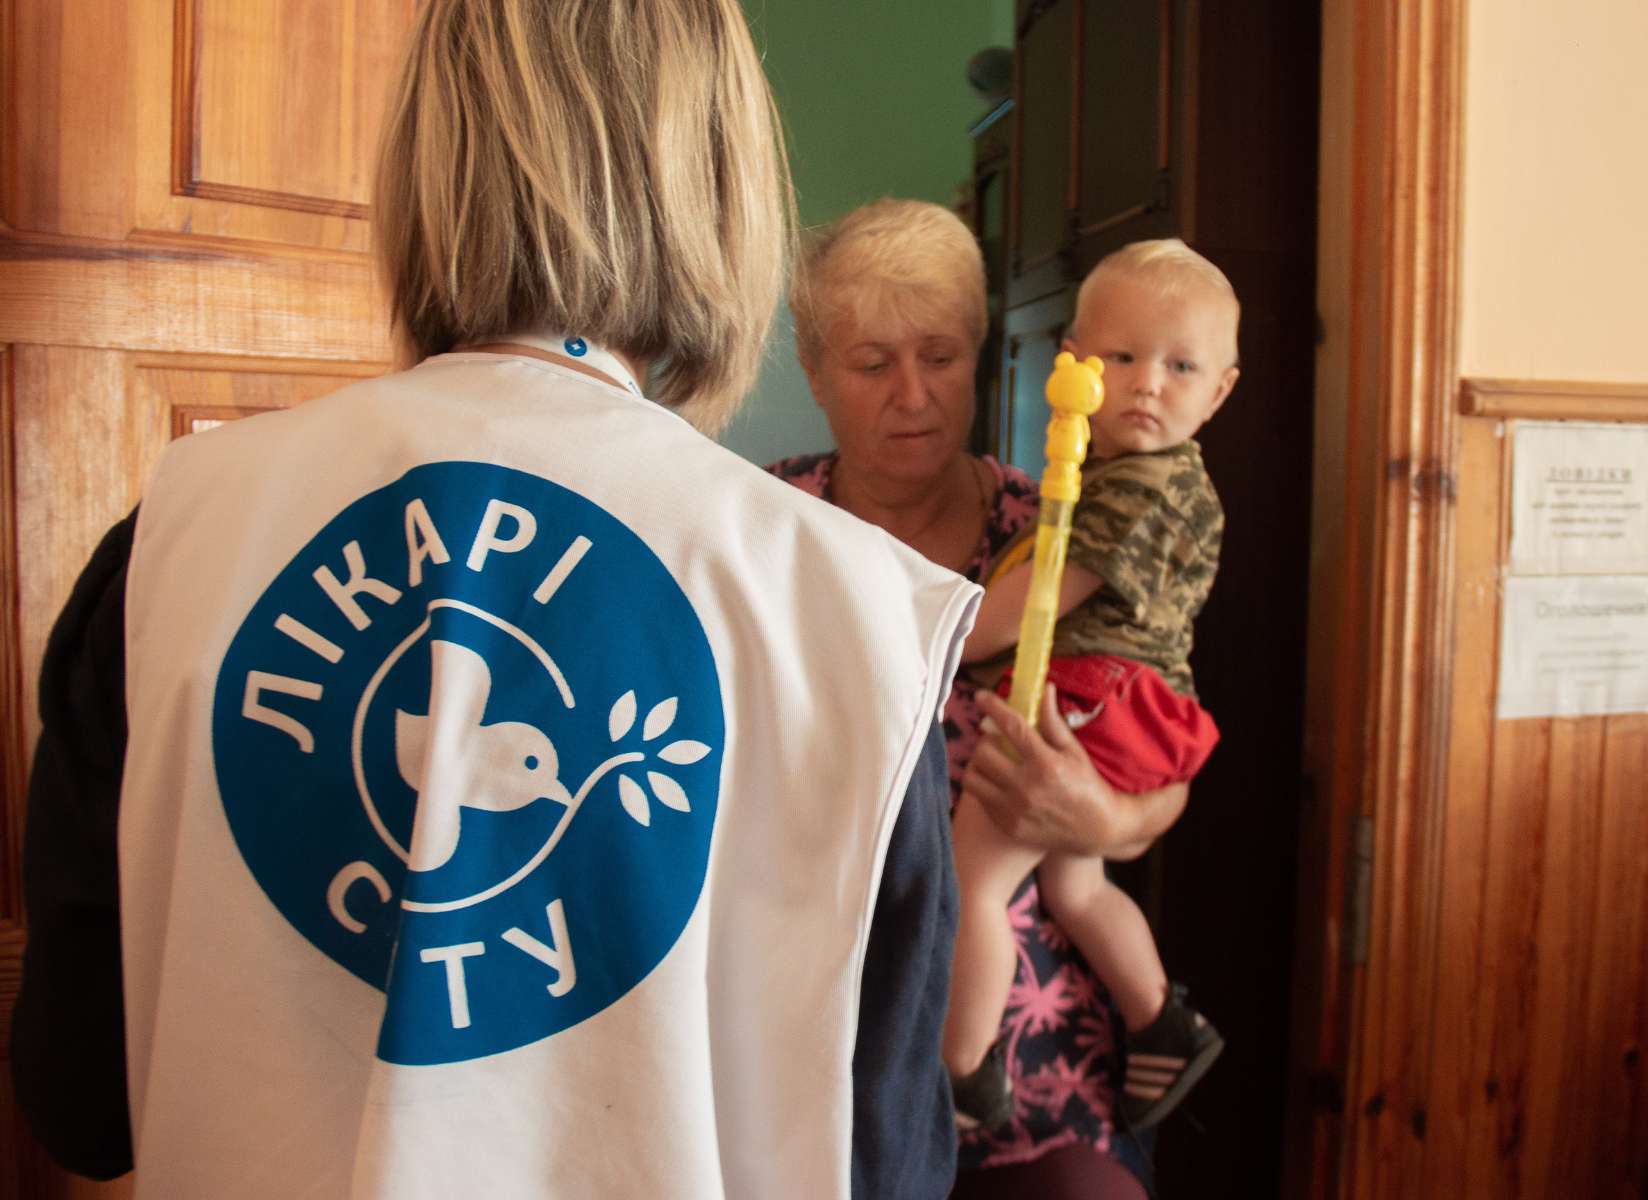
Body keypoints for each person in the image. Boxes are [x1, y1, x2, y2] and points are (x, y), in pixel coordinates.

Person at [9, 4, 978, 1198]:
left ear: (427, 164)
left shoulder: (175, 539)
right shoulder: (850, 616)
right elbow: (889, 1168)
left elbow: (78, 1098)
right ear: (718, 184)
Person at [772, 199, 1190, 1200]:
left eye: (941, 357)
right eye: (872, 364)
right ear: (816, 375)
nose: (913, 395)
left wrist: (1100, 818)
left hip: (1034, 1041)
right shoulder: (766, 530)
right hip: (815, 1019)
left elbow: (1164, 763)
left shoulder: (1057, 532)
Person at [943, 239, 1235, 1136]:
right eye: (1124, 356)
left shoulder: (1135, 492)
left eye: (1181, 367)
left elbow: (1020, 610)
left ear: (1221, 390)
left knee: (973, 884)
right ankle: (1161, 1020)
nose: (1147, 384)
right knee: (1075, 888)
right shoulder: (1139, 475)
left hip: (1088, 698)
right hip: (1131, 708)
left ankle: (961, 1075)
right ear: (1072, 362)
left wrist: (939, 638)